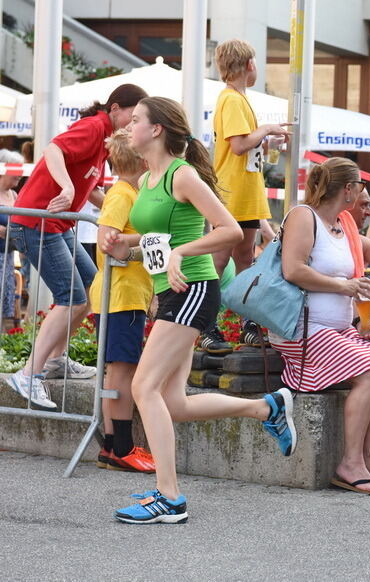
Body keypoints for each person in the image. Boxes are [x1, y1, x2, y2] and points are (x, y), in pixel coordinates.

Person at [106, 97, 295, 524]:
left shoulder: (182, 174)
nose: (127, 127)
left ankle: (169, 497)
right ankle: (267, 408)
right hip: (171, 291)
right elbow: (161, 236)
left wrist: (182, 254)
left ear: (156, 130)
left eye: (135, 120)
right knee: (173, 403)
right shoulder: (148, 179)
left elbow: (229, 229)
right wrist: (127, 243)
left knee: (143, 388)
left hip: (193, 287)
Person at [274, 157, 370, 495]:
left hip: (336, 330)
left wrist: (362, 319)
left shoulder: (343, 227)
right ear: (347, 189)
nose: (363, 194)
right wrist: (344, 287)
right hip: (305, 329)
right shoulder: (304, 216)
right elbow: (293, 270)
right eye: (360, 187)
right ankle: (350, 462)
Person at [5, 83, 148, 409]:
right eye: (133, 115)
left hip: (60, 224)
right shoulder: (93, 127)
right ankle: (28, 374)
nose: (134, 122)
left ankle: (55, 360)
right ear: (114, 109)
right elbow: (53, 149)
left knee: (89, 286)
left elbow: (96, 191)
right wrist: (67, 188)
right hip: (37, 223)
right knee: (72, 298)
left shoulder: (106, 141)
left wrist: (116, 215)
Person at [208, 39, 291, 350]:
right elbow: (239, 144)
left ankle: (247, 324)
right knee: (220, 260)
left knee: (245, 258)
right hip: (233, 191)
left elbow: (246, 146)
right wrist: (267, 129)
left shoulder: (238, 98)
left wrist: (267, 139)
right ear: (248, 65)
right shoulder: (231, 99)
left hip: (245, 190)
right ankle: (206, 324)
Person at [89, 130, 156, 473]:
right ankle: (123, 446)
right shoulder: (124, 194)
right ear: (143, 160)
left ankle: (114, 445)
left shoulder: (127, 193)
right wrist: (146, 240)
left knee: (118, 370)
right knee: (123, 371)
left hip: (124, 293)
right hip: (121, 293)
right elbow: (106, 240)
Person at [0, 149, 24, 328]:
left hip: (7, 256)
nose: (21, 174)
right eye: (17, 169)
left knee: (4, 303)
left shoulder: (14, 195)